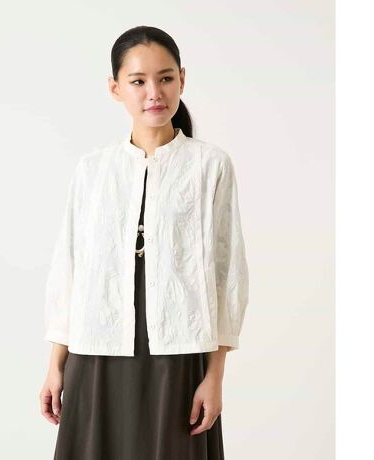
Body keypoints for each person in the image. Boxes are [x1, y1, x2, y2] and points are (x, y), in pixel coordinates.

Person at [39, 25, 249, 460]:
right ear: (115, 88)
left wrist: (215, 376)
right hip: (97, 351)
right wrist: (55, 366)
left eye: (165, 78)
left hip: (178, 354)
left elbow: (227, 274)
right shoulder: (93, 170)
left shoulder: (210, 166)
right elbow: (71, 268)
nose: (154, 92)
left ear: (182, 80)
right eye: (138, 81)